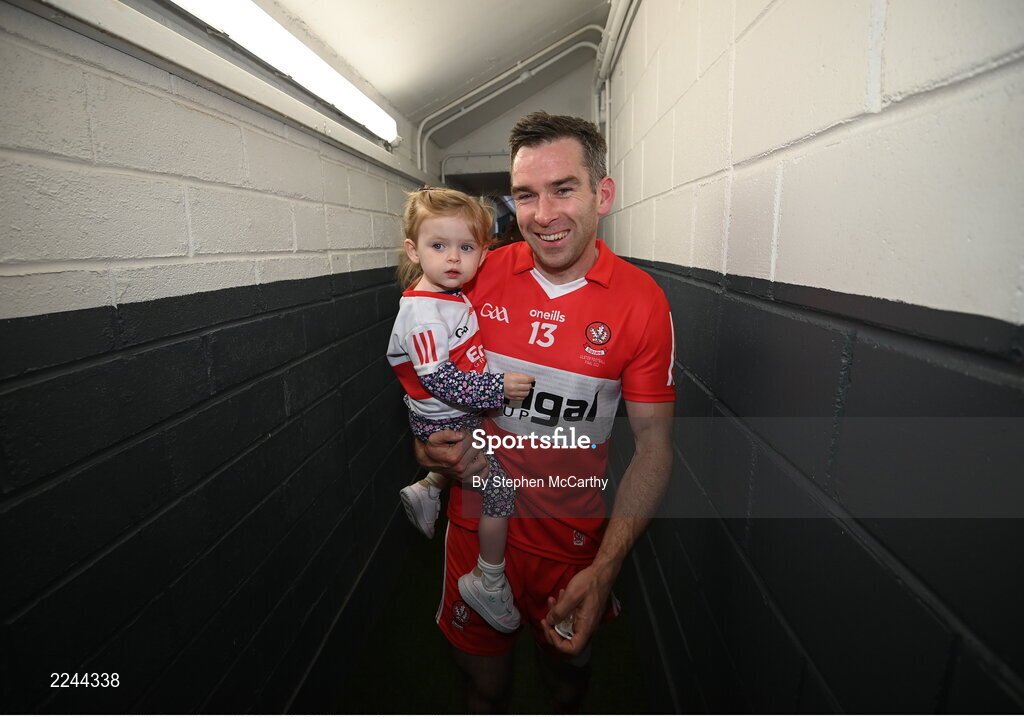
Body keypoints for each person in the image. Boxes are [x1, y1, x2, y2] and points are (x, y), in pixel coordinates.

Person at [417, 112, 676, 712]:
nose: (543, 214)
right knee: (483, 686)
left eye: (564, 189)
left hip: (573, 543)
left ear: (602, 194)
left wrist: (608, 565)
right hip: (475, 526)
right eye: (526, 195)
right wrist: (427, 449)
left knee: (565, 682)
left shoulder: (642, 303)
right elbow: (433, 394)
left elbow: (655, 448)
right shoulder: (476, 276)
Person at [388, 187, 535, 633]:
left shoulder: (446, 293)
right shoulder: (425, 313)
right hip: (444, 413)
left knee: (477, 454)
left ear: (483, 251)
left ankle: (429, 488)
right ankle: (487, 579)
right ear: (414, 250)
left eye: (466, 247)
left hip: (447, 409)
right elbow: (440, 379)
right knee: (501, 490)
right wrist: (499, 388)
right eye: (439, 246)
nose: (454, 258)